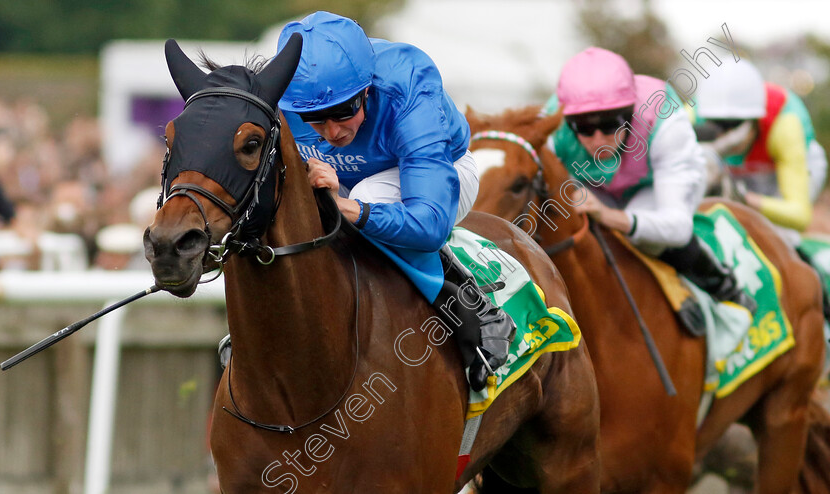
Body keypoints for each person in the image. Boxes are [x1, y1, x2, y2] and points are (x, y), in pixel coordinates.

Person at [221, 11, 514, 391]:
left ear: (367, 89)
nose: (333, 131)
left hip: (441, 173)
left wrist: (345, 206)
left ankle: (470, 304)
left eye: (344, 112)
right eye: (314, 119)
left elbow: (429, 225)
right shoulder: (283, 99)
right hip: (350, 183)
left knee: (365, 198)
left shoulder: (408, 82)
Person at [542, 47, 756, 329]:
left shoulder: (664, 120)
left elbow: (677, 227)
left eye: (609, 125)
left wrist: (606, 215)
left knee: (641, 235)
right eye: (582, 127)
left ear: (630, 113)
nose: (596, 139)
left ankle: (724, 288)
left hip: (659, 183)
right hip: (600, 187)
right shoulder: (552, 127)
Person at [693, 59, 827, 244]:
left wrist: (744, 199)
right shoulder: (693, 115)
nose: (725, 135)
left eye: (733, 125)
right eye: (717, 124)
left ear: (756, 119)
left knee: (778, 236)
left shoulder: (786, 127)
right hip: (741, 172)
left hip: (792, 164)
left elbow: (799, 216)